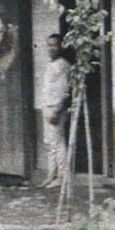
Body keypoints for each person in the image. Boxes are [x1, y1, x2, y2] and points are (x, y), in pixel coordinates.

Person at [41, 33, 72, 188]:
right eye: (49, 45)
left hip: (55, 108)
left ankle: (61, 177)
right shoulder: (51, 64)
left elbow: (65, 90)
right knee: (49, 142)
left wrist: (57, 109)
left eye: (54, 45)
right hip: (47, 106)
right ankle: (50, 175)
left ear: (60, 46)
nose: (51, 48)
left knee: (58, 143)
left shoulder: (62, 65)